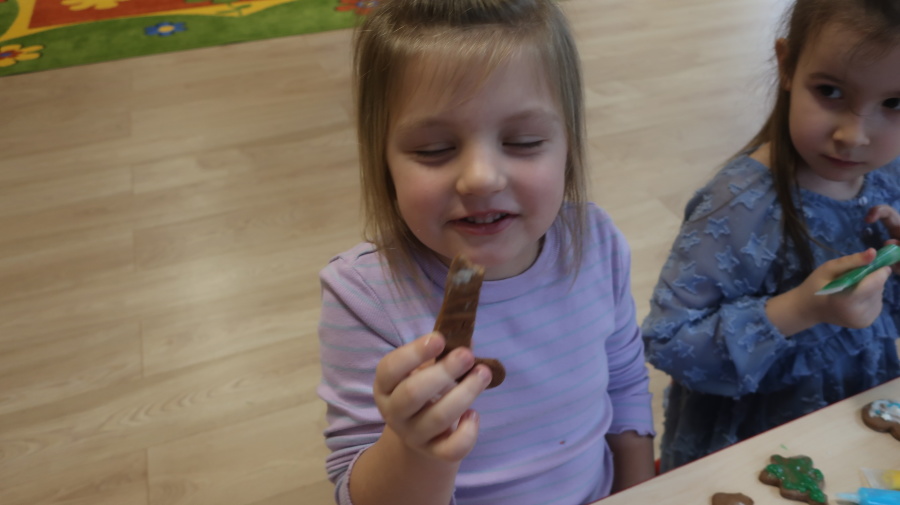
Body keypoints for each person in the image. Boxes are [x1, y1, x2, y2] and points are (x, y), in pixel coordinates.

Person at [316, 1, 656, 504]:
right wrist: (415, 449)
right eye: (433, 149)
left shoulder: (597, 245)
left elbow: (625, 387)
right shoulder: (363, 296)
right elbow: (355, 491)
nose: (481, 178)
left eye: (524, 141)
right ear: (382, 160)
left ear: (568, 146)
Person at [642, 0, 900, 472]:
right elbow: (670, 342)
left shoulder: (889, 175)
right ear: (786, 65)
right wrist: (802, 308)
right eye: (830, 91)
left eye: (894, 103)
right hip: (752, 450)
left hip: (855, 426)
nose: (854, 135)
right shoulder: (741, 204)